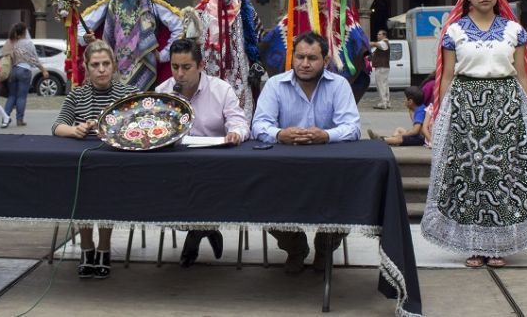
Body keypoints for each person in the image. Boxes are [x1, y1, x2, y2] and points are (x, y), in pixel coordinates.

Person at [421, 0, 527, 270]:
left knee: (503, 174)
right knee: (470, 175)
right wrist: (439, 112)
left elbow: (521, 74)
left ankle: (499, 245)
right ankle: (474, 246)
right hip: (466, 108)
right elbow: (448, 76)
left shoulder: (513, 30)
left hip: (505, 107)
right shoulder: (454, 32)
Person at [252, 31, 361, 273]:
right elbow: (259, 125)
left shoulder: (339, 85)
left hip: (330, 169)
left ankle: (325, 248)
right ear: (292, 58)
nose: (304, 64)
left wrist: (326, 135)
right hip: (283, 169)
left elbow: (353, 128)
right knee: (261, 197)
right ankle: (295, 247)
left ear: (325, 60)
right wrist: (280, 134)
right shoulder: (274, 85)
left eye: (312, 58)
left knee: (350, 194)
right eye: (299, 57)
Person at [155, 38, 250, 267]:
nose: (179, 74)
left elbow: (239, 121)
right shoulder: (163, 91)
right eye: (175, 67)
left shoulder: (221, 89)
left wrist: (236, 133)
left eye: (186, 67)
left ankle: (198, 232)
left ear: (200, 66)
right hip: (176, 166)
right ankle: (206, 229)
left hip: (214, 166)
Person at [52, 40, 137, 279]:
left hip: (114, 164)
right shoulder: (77, 95)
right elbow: (57, 126)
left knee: (106, 195)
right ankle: (87, 249)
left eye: (106, 64)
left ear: (113, 66)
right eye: (96, 64)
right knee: (84, 195)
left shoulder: (126, 94)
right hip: (84, 165)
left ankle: (104, 248)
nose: (101, 69)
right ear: (87, 68)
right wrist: (75, 130)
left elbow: (136, 129)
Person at [259, 0, 372, 103]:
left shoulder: (343, 15)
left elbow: (361, 46)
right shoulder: (295, 16)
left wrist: (364, 57)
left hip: (333, 87)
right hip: (300, 86)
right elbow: (270, 42)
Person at [193, 0, 264, 121]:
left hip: (238, 64)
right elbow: (191, 36)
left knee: (238, 94)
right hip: (210, 63)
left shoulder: (245, 9)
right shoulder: (202, 10)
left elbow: (257, 36)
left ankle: (240, 126)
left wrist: (255, 60)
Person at [1, 22, 48, 128]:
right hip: (24, 71)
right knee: (21, 97)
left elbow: (3, 54)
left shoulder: (11, 42)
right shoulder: (28, 43)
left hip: (12, 71)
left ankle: (5, 118)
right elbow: (34, 59)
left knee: (12, 96)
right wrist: (43, 70)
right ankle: (19, 120)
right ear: (24, 32)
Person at [371, 30, 391, 109]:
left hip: (381, 67)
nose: (377, 35)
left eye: (379, 34)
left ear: (384, 35)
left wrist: (364, 41)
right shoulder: (385, 43)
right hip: (384, 67)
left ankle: (383, 103)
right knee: (385, 85)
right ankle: (387, 102)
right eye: (377, 34)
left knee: (381, 86)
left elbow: (374, 44)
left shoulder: (384, 42)